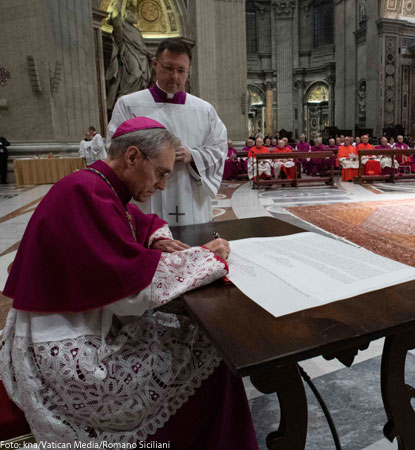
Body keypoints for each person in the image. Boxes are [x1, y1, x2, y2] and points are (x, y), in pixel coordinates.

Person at [0, 117, 258, 448]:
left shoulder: (98, 184)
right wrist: (208, 257)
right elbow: (132, 290)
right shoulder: (88, 192)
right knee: (212, 354)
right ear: (133, 157)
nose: (163, 185)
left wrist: (155, 237)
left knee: (193, 336)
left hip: (75, 324)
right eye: (161, 173)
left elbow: (137, 221)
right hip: (66, 350)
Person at [108, 38, 227, 226]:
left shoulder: (204, 110)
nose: (175, 77)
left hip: (189, 195)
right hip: (147, 198)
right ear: (155, 64)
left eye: (181, 71)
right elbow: (115, 151)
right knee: (149, 243)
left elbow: (219, 149)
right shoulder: (128, 104)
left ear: (189, 71)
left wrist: (193, 156)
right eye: (168, 68)